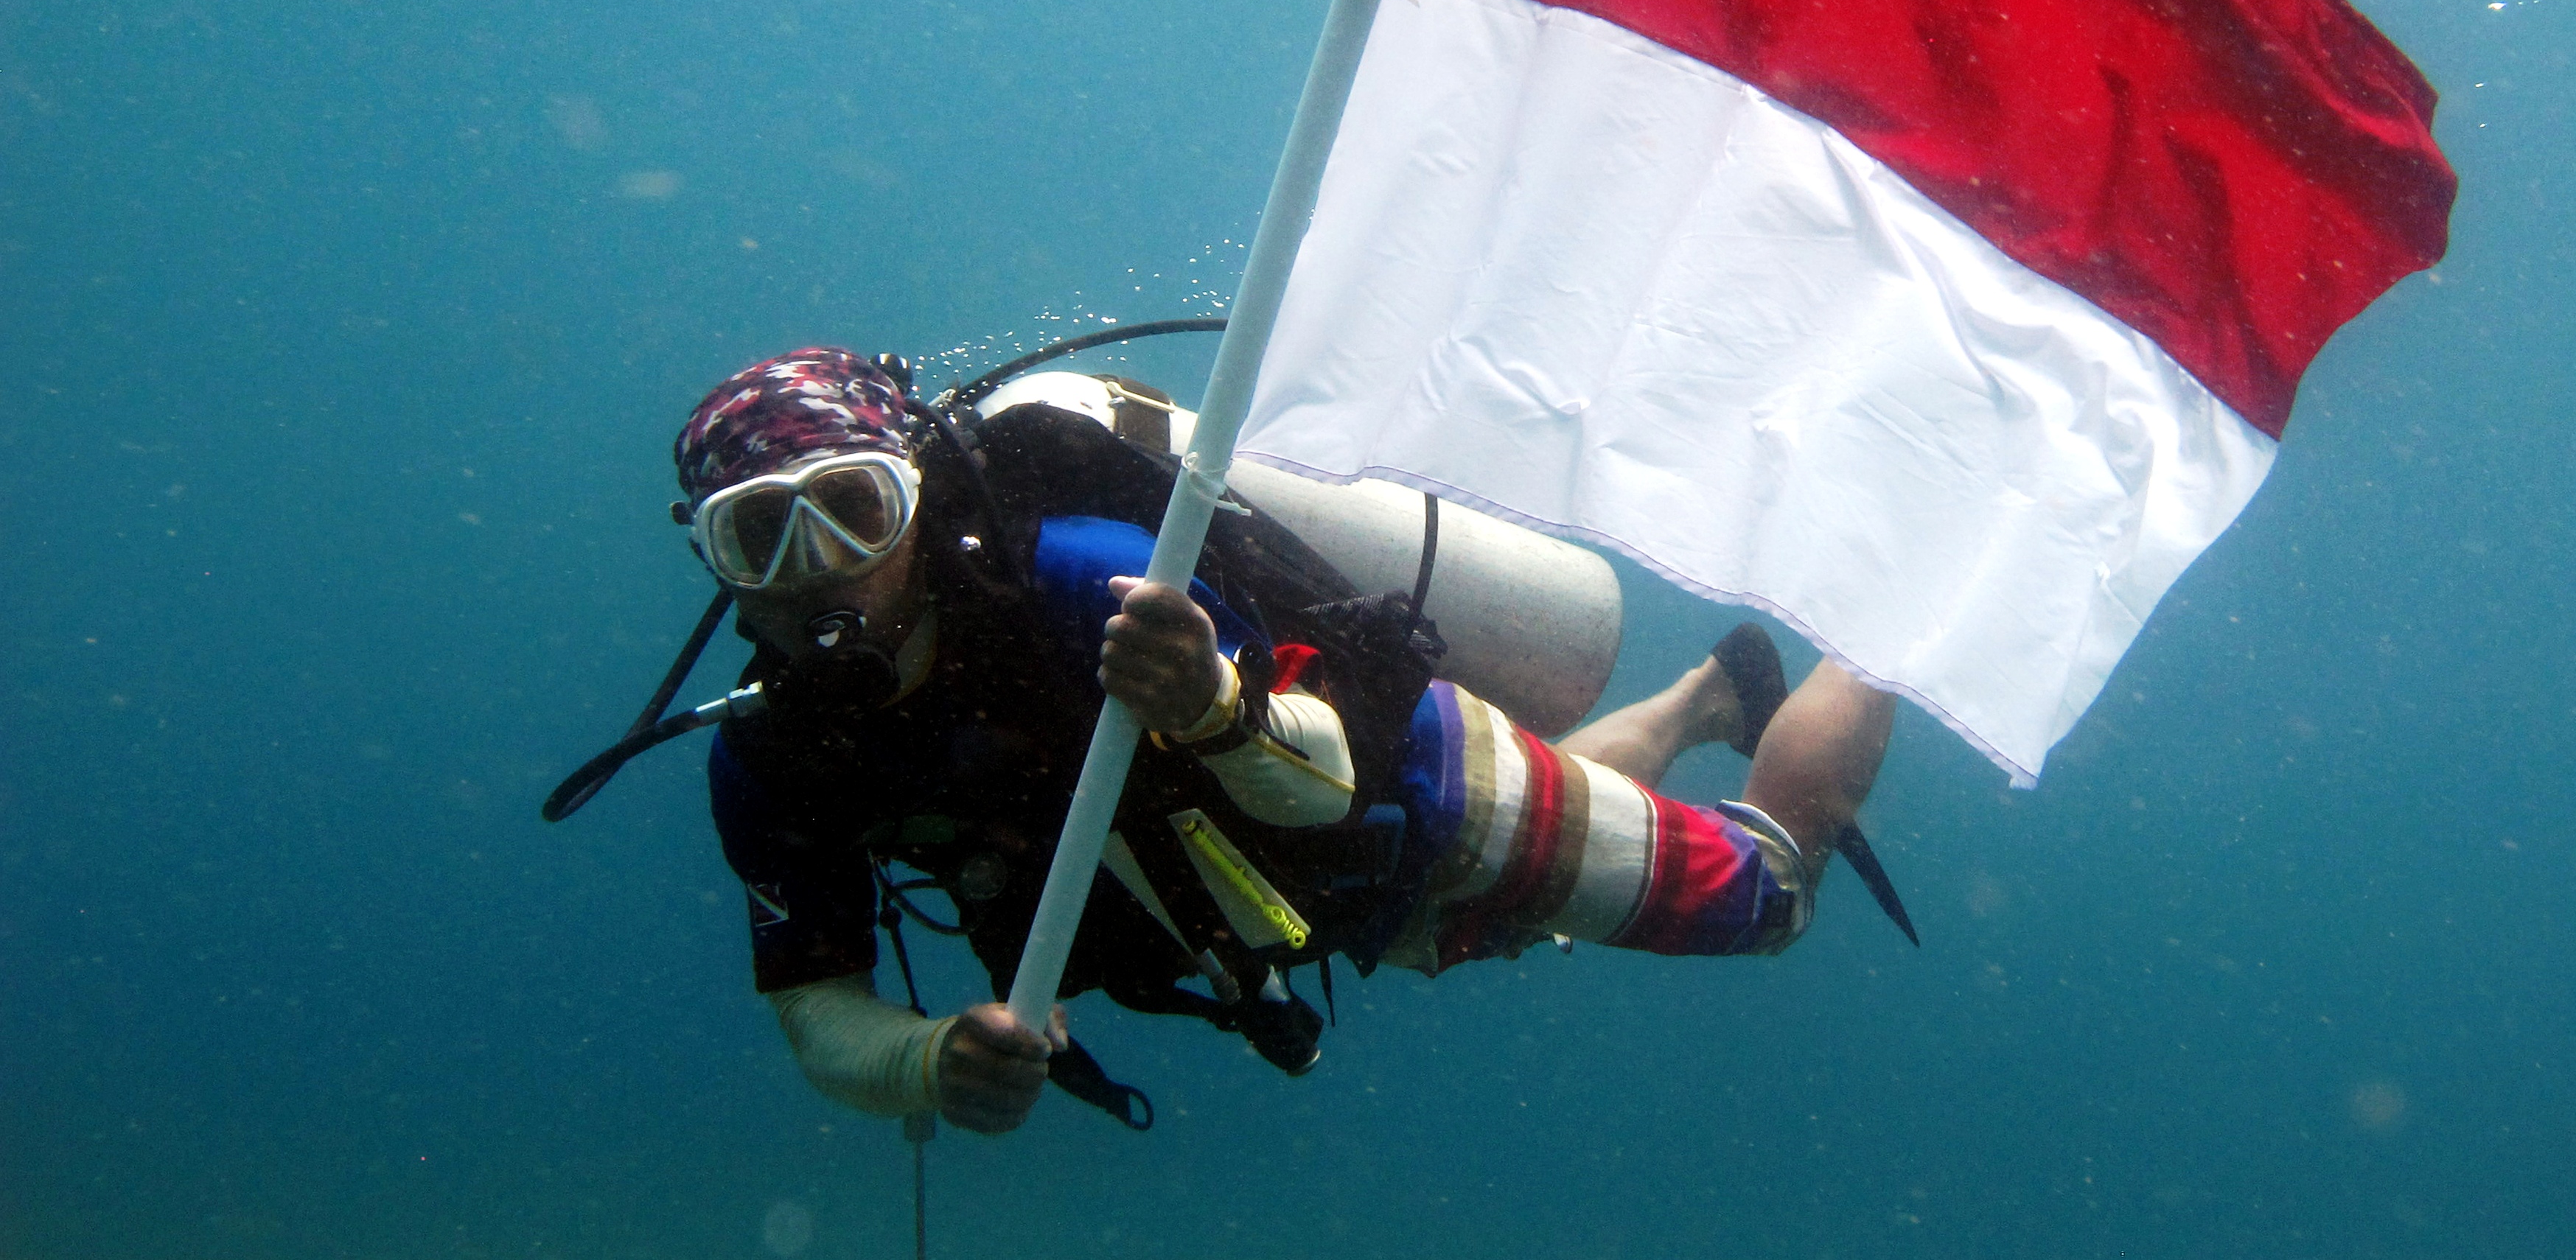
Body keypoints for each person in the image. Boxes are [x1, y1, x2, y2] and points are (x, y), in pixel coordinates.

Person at [682, 346, 1897, 1135]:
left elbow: (1329, 779)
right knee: (1533, 906)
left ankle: (1902, 612)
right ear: (714, 564)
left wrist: (1208, 703)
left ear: (913, 500)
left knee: (1771, 898)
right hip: (1309, 901)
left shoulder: (1091, 585)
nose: (816, 574)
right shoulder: (774, 762)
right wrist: (926, 1059)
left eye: (850, 510)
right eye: (758, 538)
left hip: (1422, 789)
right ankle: (1706, 702)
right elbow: (816, 1008)